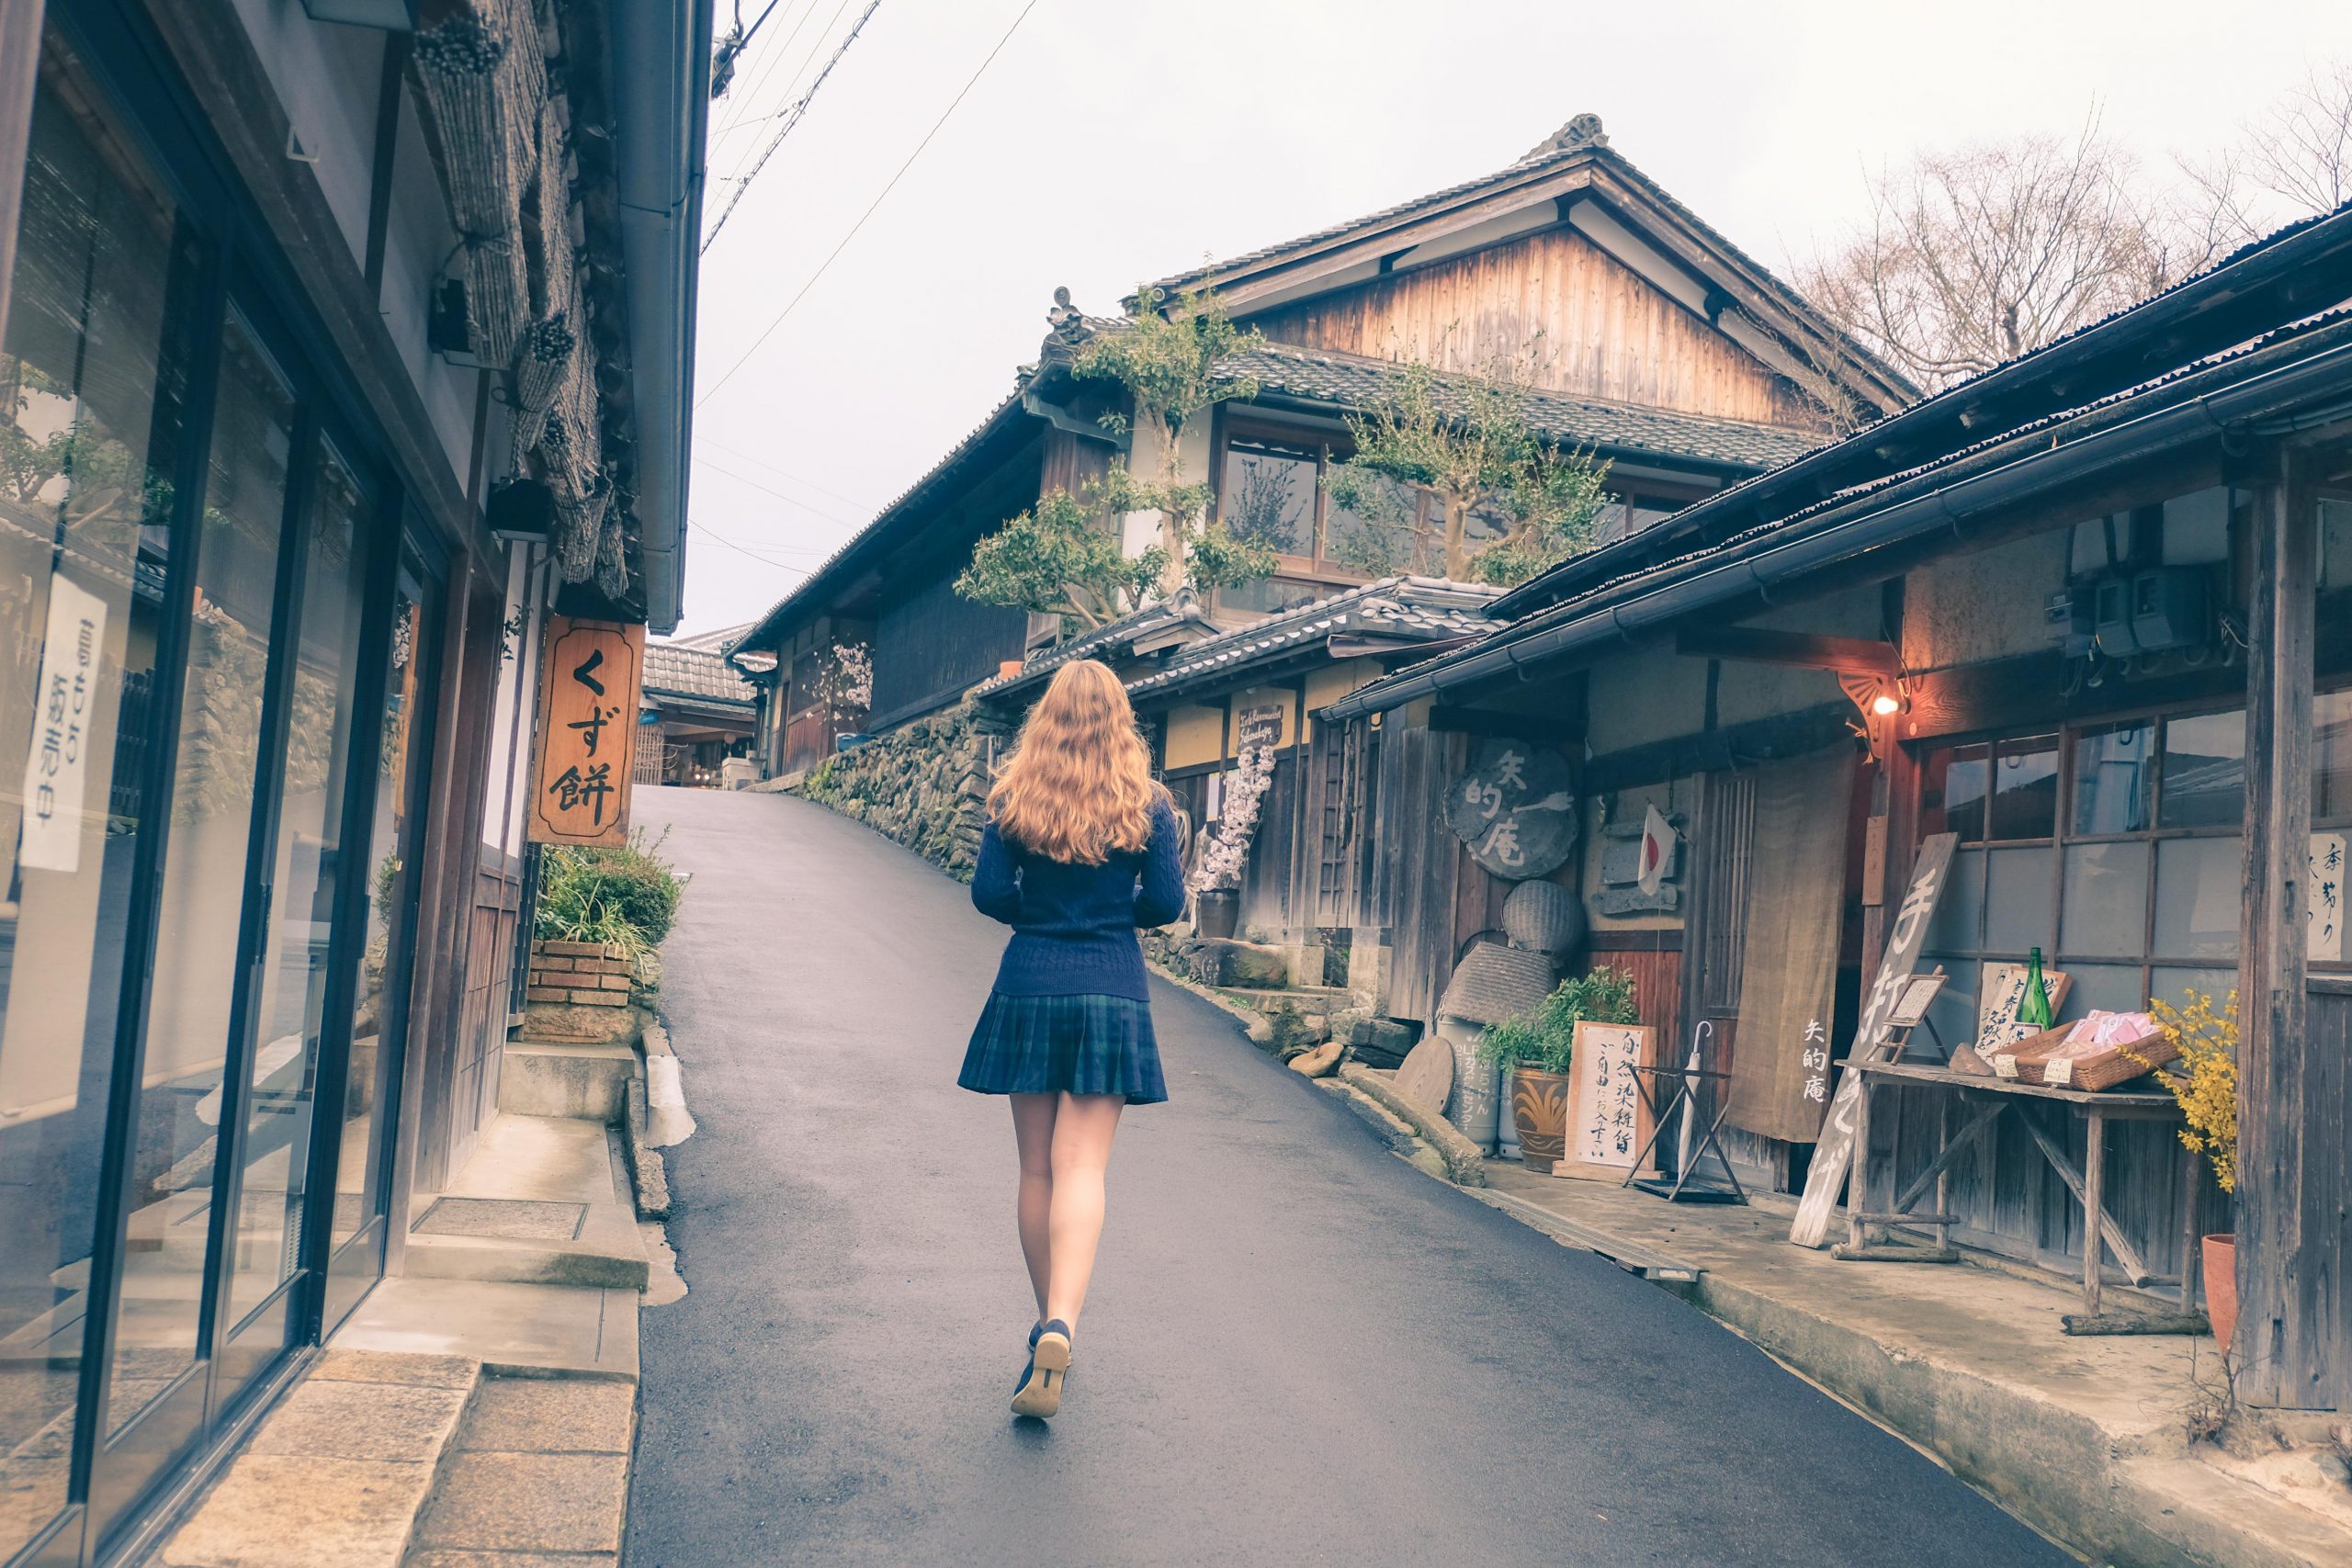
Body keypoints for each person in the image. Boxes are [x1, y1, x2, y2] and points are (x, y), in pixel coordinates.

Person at [959, 659, 1183, 1420]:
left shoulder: (1013, 796)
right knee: (1082, 1166)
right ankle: (1063, 1319)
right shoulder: (1148, 803)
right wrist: (1112, 918)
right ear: (1121, 722)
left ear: (1046, 718)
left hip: (1030, 981)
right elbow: (1167, 900)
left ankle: (1045, 1324)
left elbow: (989, 891)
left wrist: (1039, 911)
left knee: (1035, 1168)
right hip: (1111, 985)